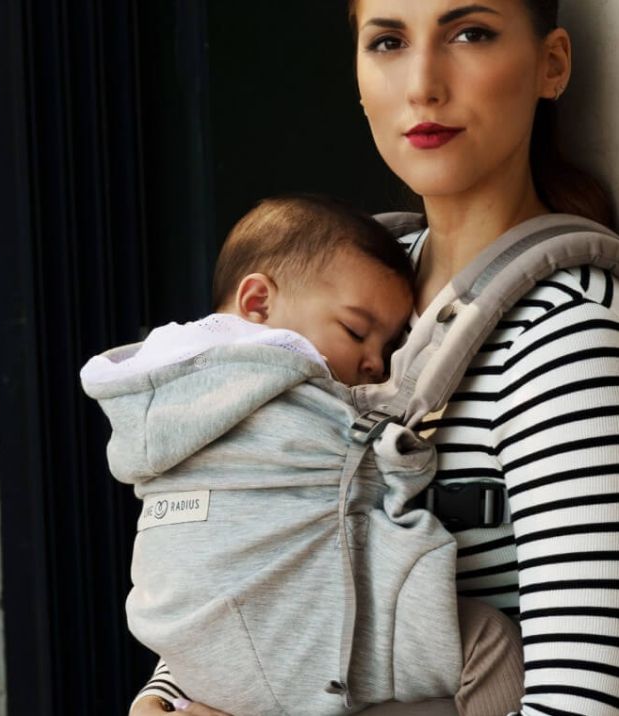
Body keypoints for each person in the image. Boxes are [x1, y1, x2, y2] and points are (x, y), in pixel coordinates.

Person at [131, 1, 619, 715]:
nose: (422, 84)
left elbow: (583, 700)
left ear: (552, 65)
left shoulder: (561, 329)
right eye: (388, 41)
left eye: (470, 33)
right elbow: (254, 540)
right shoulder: (337, 288)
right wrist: (167, 693)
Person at [83, 194, 523, 716]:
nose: (375, 365)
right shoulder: (289, 389)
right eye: (356, 332)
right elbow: (381, 472)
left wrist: (162, 691)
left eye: (389, 347)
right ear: (257, 304)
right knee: (488, 642)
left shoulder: (158, 400)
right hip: (303, 645)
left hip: (196, 659)